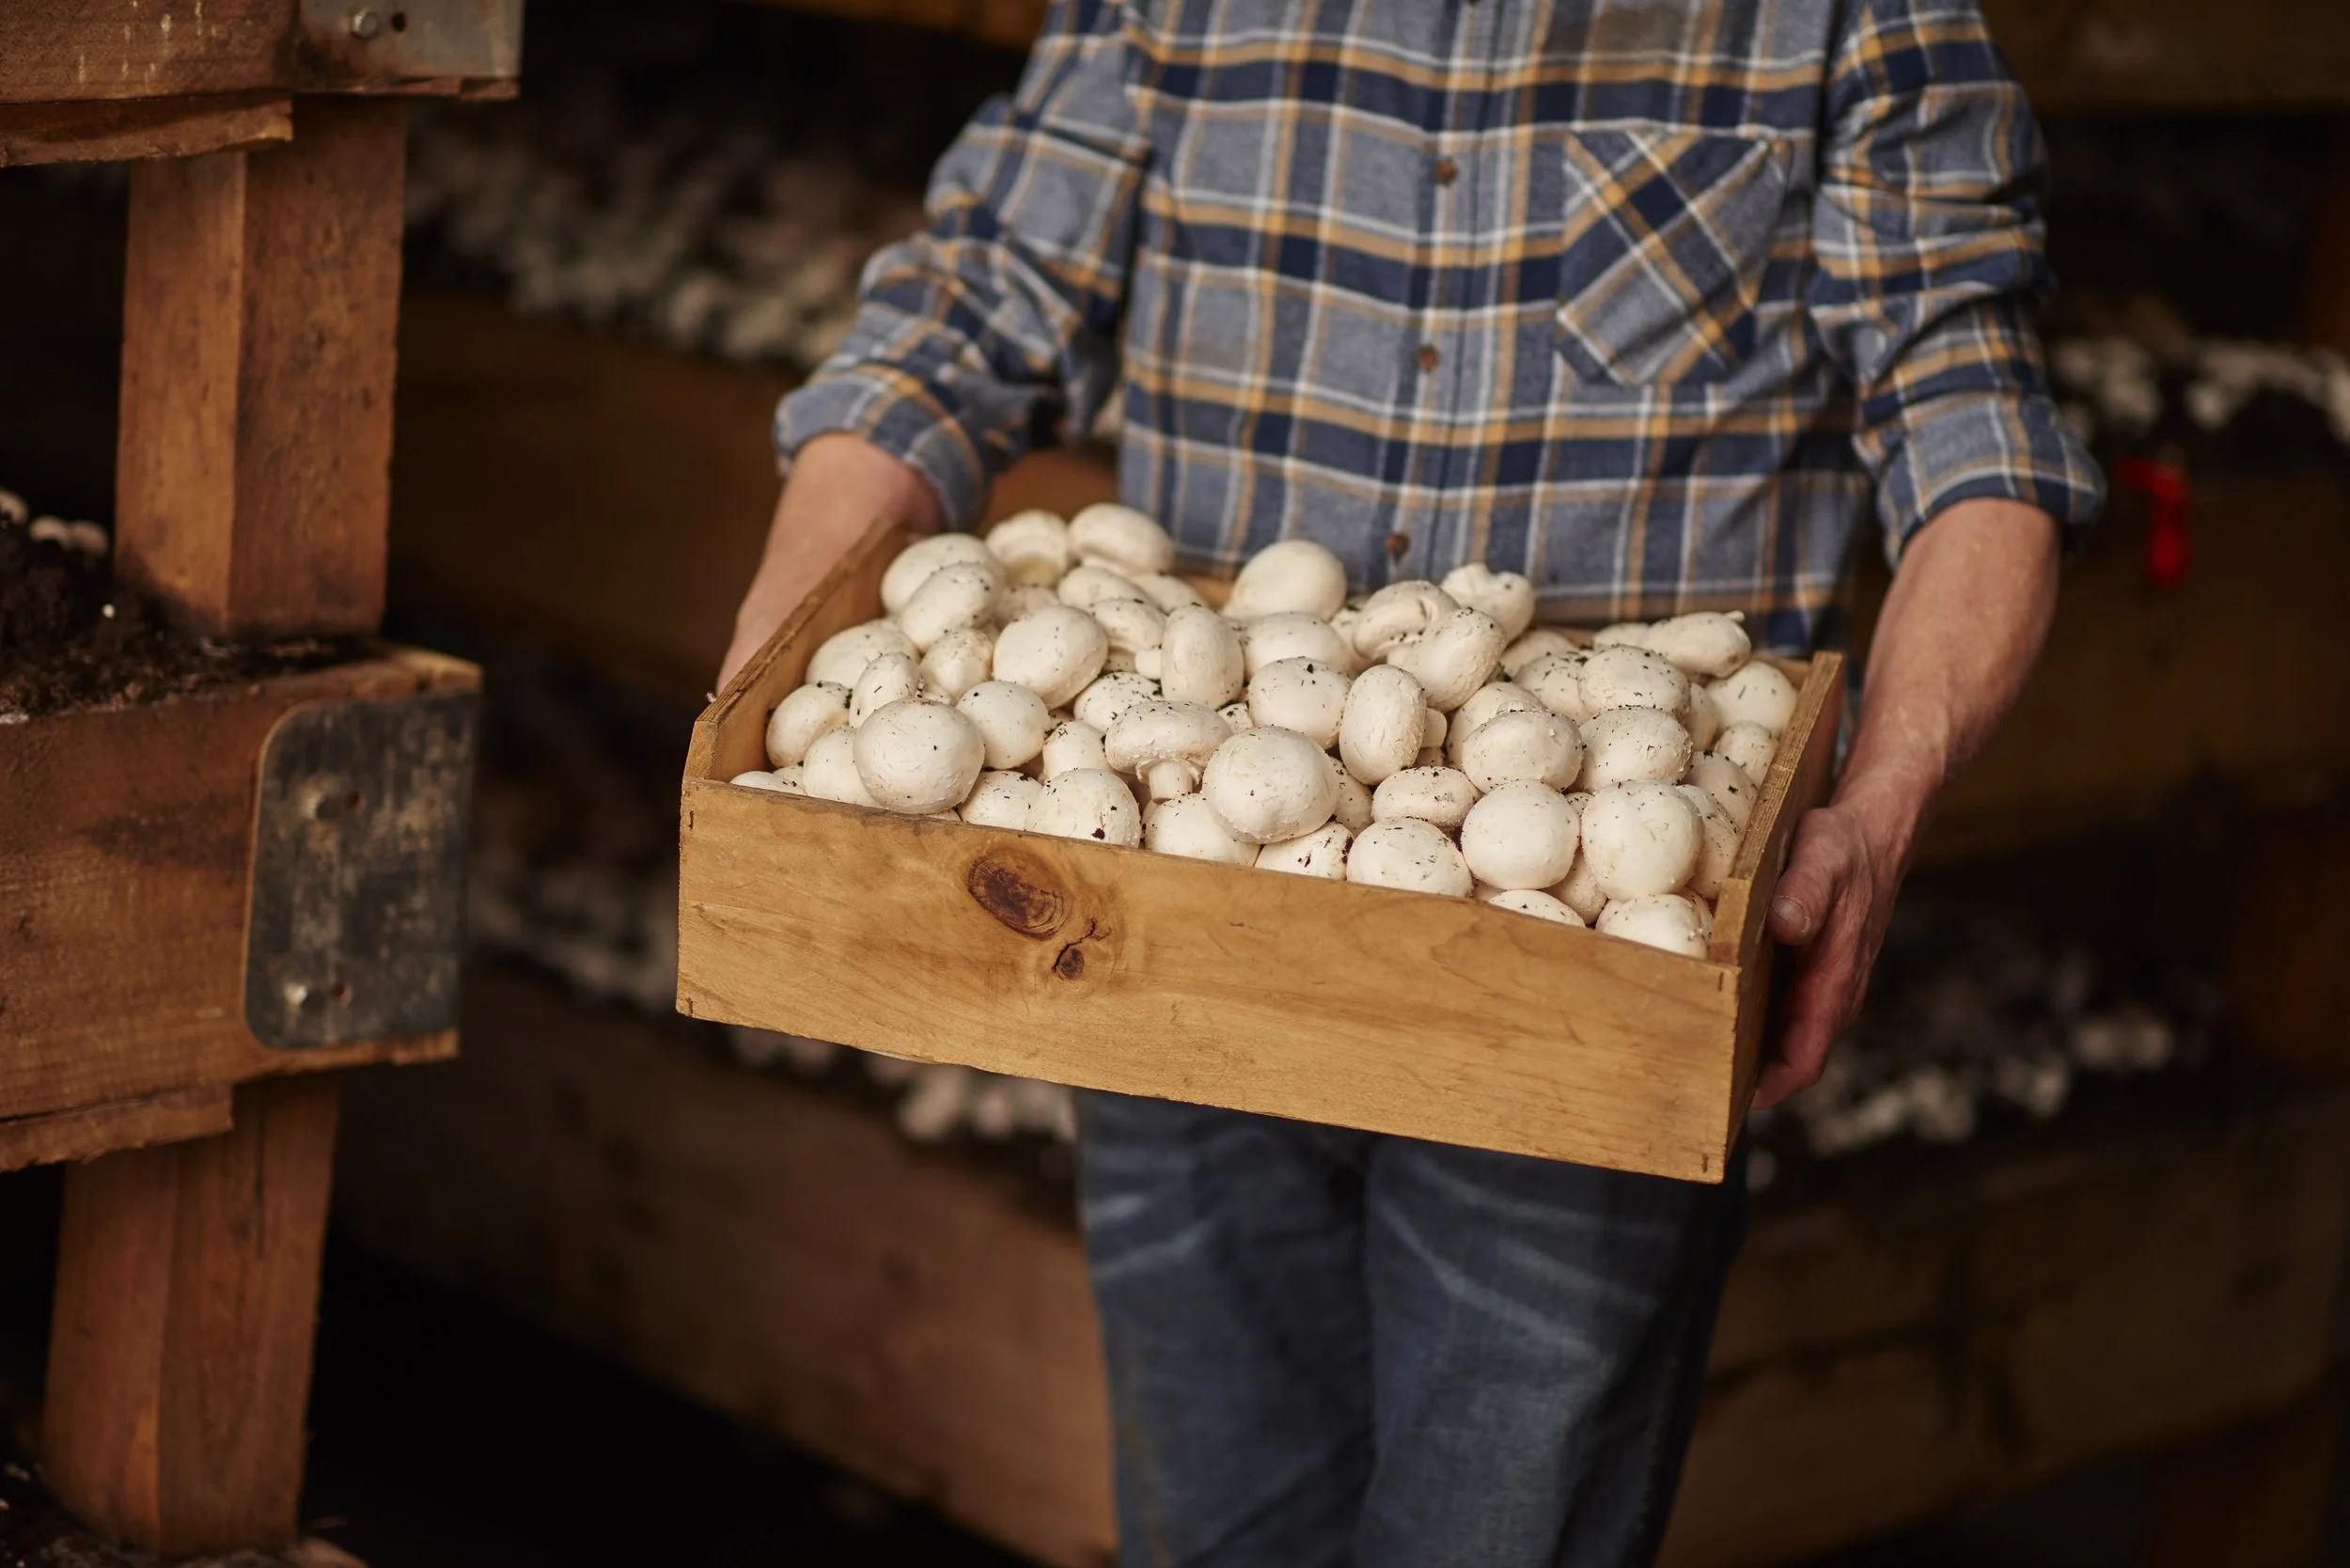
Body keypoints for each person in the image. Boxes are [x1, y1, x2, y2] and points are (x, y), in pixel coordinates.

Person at [721, 2, 2101, 1562]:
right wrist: (786, 664)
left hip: (1591, 962)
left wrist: (1878, 807)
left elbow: (1978, 441)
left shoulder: (1840, 18)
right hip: (1184, 922)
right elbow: (961, 316)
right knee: (1216, 1535)